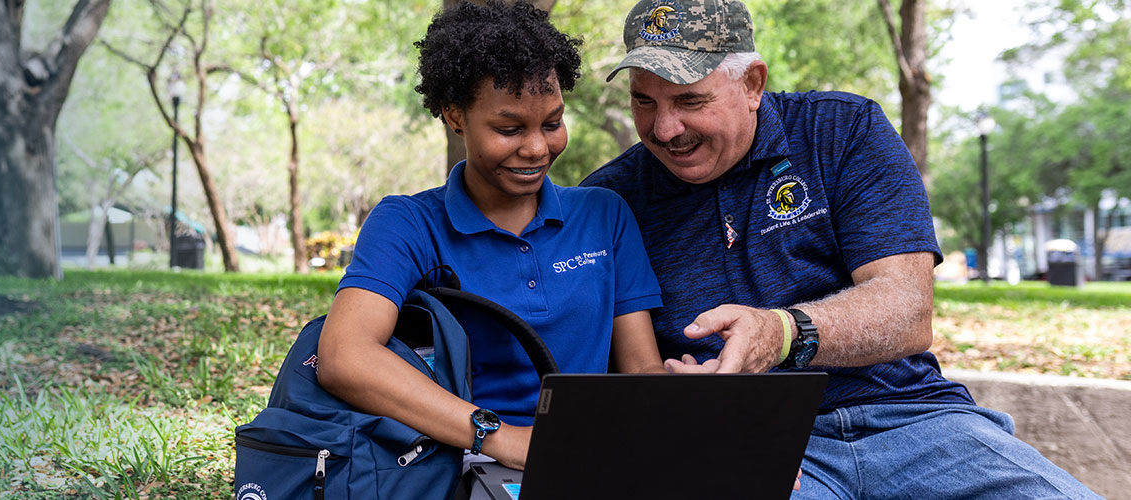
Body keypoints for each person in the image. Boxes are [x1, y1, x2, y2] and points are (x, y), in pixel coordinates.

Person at [580, 0, 1102, 497]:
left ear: (753, 84)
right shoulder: (611, 199)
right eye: (644, 101)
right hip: (745, 438)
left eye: (691, 100)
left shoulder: (843, 130)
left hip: (913, 419)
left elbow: (907, 309)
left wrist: (780, 332)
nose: (665, 129)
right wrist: (673, 404)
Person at [318, 1, 665, 470]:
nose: (538, 148)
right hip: (456, 460)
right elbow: (345, 355)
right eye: (509, 128)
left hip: (587, 455)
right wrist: (501, 438)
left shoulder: (604, 215)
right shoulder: (408, 223)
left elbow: (641, 369)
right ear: (454, 116)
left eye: (552, 123)